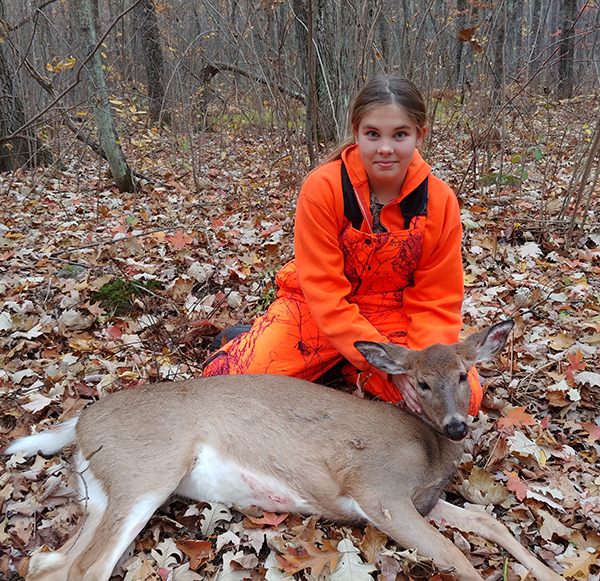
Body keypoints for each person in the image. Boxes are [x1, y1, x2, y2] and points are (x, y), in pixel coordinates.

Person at [202, 75, 482, 416]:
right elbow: (323, 290)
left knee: (460, 400)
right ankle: (243, 339)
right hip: (317, 310)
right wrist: (381, 366)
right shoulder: (324, 188)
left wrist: (420, 367)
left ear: (420, 135)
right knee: (230, 381)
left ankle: (340, 366)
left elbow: (437, 298)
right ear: (356, 132)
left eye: (400, 135)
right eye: (373, 134)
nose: (385, 148)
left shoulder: (439, 200)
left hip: (392, 315)